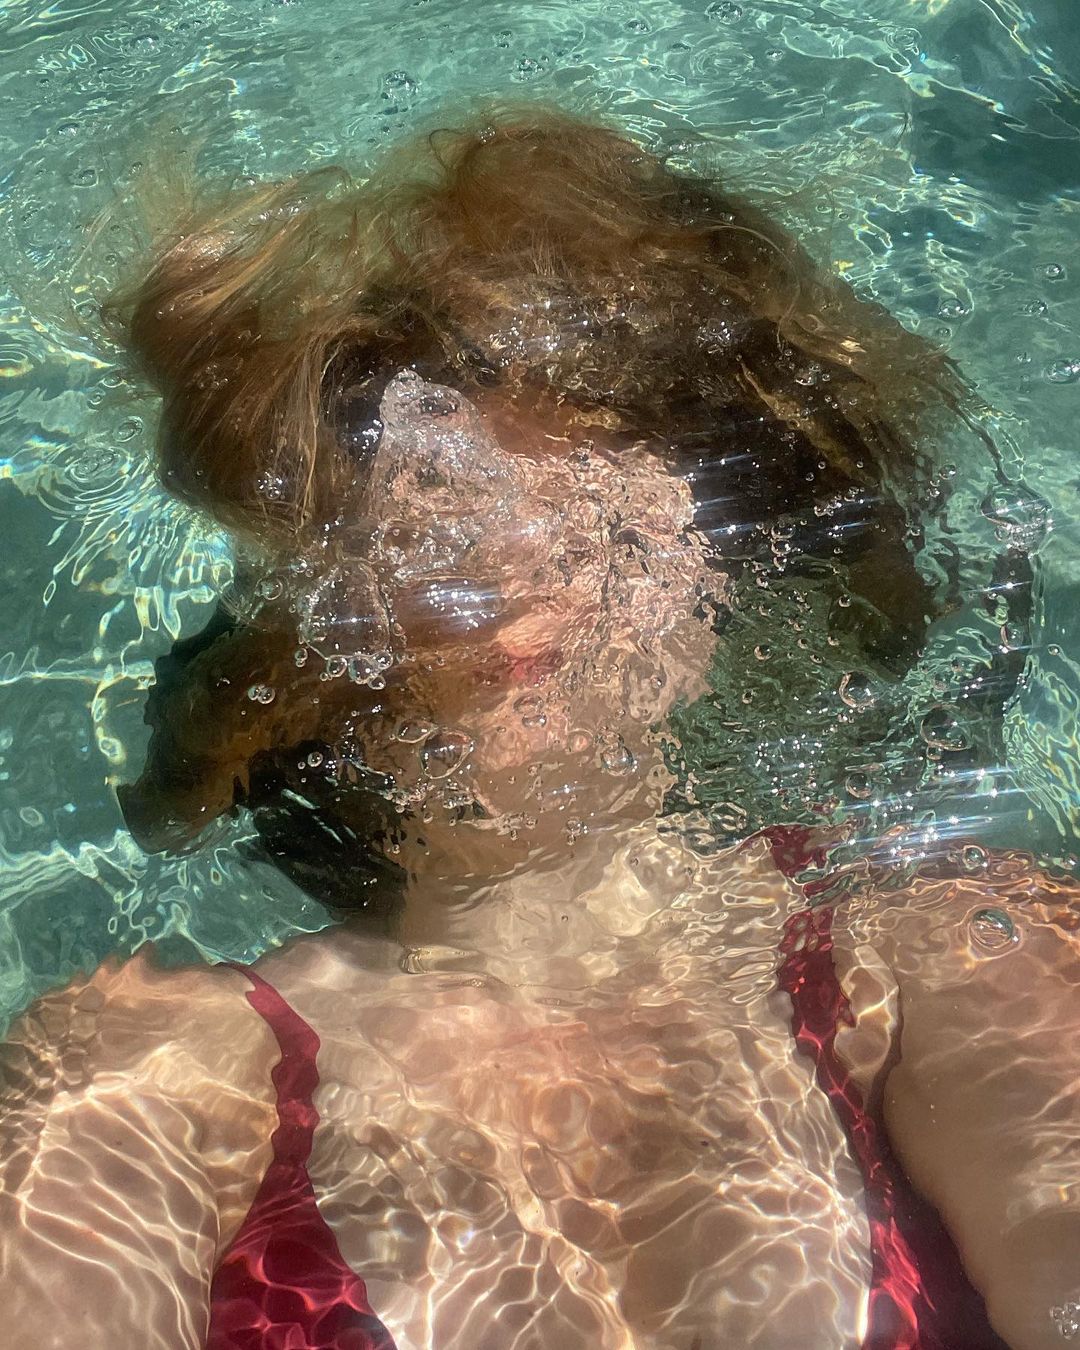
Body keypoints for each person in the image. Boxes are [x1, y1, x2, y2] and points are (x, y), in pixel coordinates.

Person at [1, 106, 1077, 1350]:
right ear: (304, 645)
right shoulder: (152, 1069)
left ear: (722, 574)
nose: (514, 566)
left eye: (593, 494)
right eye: (427, 507)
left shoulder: (949, 946)